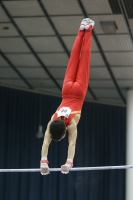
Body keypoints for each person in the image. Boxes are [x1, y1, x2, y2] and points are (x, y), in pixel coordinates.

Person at [40, 18, 95, 175]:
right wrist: (43, 162)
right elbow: (45, 143)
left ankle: (89, 28)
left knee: (84, 59)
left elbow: (72, 144)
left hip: (78, 92)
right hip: (66, 89)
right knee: (73, 58)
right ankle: (81, 28)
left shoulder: (71, 125)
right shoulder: (53, 119)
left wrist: (68, 163)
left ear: (64, 132)